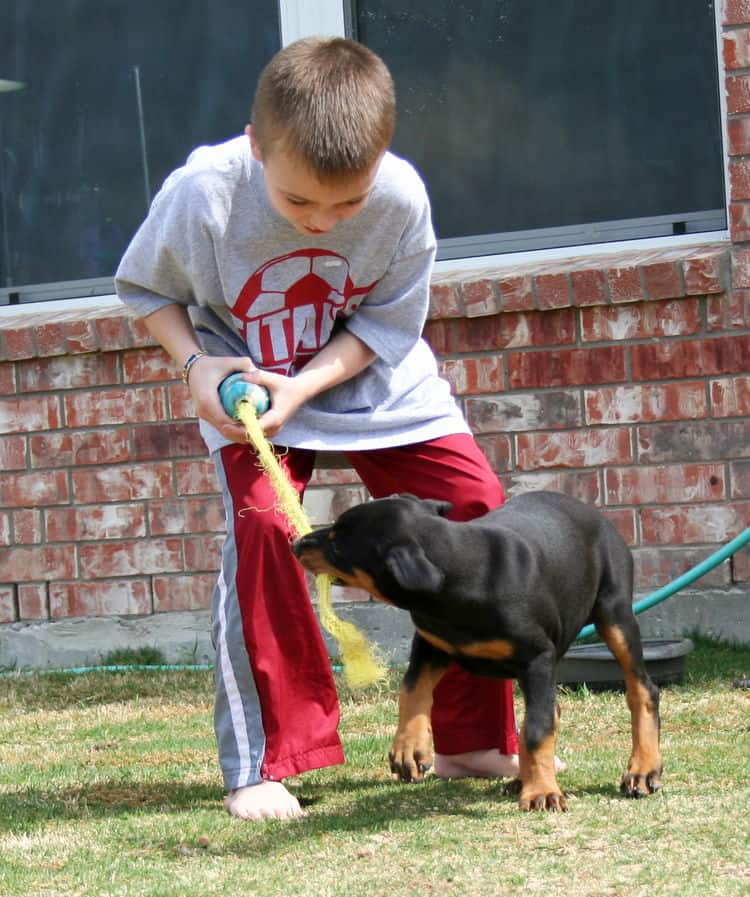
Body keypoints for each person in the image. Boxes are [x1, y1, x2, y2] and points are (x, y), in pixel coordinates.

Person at [115, 36, 521, 822]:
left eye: (347, 205)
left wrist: (306, 385)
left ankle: (469, 736)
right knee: (265, 523)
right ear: (257, 144)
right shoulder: (204, 193)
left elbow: (388, 323)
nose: (323, 222)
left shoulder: (401, 198)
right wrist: (197, 363)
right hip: (246, 384)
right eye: (300, 203)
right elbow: (144, 288)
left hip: (362, 377)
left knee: (479, 505)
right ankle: (268, 760)